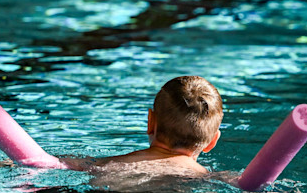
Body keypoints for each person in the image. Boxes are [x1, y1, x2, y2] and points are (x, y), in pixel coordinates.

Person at [61, 75, 223, 176]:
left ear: (150, 122)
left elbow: (41, 161)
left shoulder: (98, 165)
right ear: (213, 141)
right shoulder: (207, 177)